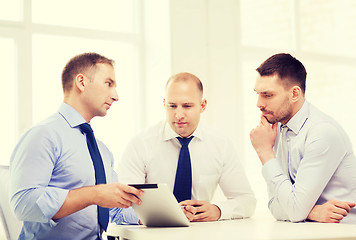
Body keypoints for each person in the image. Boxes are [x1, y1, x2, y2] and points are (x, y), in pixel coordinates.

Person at [9, 52, 144, 240]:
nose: (116, 96)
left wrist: (170, 214)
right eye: (108, 83)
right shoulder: (43, 135)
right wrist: (93, 194)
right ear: (81, 82)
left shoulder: (102, 151)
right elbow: (23, 204)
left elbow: (117, 211)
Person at [117, 72, 256, 223]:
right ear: (164, 104)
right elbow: (119, 208)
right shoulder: (141, 144)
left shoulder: (221, 145)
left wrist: (218, 210)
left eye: (187, 106)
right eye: (172, 106)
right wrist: (162, 217)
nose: (178, 115)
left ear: (203, 106)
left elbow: (246, 200)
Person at [250, 53, 356, 224]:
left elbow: (294, 211)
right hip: (310, 231)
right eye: (257, 94)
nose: (259, 103)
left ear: (294, 94)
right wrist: (311, 212)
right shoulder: (278, 129)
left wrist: (265, 152)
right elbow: (274, 205)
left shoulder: (322, 132)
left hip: (345, 232)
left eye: (267, 95)